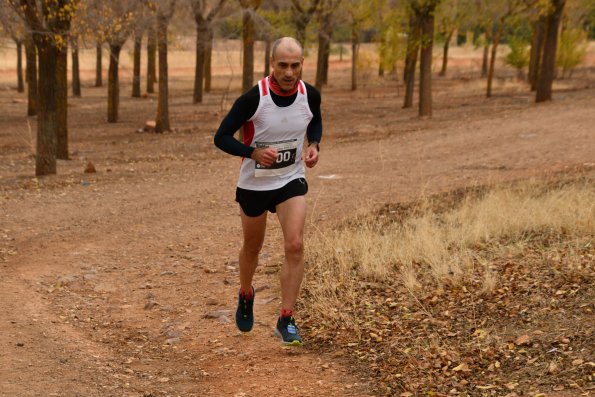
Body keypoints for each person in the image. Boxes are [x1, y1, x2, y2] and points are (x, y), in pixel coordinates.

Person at [214, 37, 322, 346]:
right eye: (283, 65)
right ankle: (246, 292)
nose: (289, 72)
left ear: (302, 64)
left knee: (296, 244)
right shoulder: (253, 99)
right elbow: (220, 137)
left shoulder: (309, 94)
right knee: (252, 247)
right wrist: (252, 153)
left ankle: (286, 319)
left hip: (290, 180)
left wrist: (314, 145)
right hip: (254, 185)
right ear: (271, 64)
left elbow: (315, 123)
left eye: (295, 65)